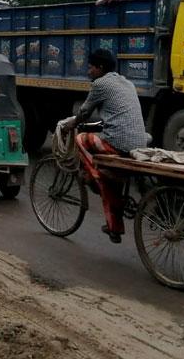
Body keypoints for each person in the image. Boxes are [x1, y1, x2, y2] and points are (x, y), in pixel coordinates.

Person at [73, 49, 148, 243]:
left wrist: (70, 124)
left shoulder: (100, 84)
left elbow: (84, 113)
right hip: (139, 142)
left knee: (81, 139)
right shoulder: (127, 83)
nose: (88, 72)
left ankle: (97, 176)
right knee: (111, 174)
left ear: (100, 68)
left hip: (118, 143)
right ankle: (114, 224)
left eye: (90, 68)